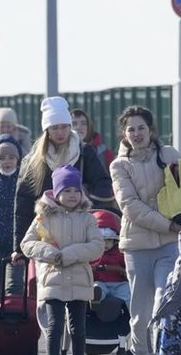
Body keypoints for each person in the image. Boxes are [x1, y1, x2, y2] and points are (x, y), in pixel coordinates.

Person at [109, 105, 181, 355]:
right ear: (124, 134)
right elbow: (131, 208)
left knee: (166, 301)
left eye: (142, 128)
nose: (137, 134)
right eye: (131, 129)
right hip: (137, 245)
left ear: (151, 130)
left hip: (169, 245)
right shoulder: (119, 166)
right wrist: (168, 224)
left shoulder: (169, 155)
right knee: (139, 310)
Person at [21, 165, 104, 355]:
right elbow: (27, 243)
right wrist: (50, 253)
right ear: (56, 193)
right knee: (55, 325)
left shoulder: (87, 218)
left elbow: (97, 246)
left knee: (78, 328)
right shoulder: (43, 217)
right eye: (66, 191)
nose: (72, 195)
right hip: (53, 278)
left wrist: (68, 255)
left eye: (76, 191)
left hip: (78, 278)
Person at [13, 96, 114, 261]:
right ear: (47, 130)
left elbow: (103, 183)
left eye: (64, 127)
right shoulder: (35, 159)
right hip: (47, 234)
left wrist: (85, 204)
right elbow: (23, 202)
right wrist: (18, 247)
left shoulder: (84, 152)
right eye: (54, 128)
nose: (60, 133)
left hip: (79, 231)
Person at [0, 133, 25, 297]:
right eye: (2, 158)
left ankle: (13, 319)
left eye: (11, 157)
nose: (7, 161)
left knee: (15, 286)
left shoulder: (23, 180)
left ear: (18, 159)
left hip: (18, 243)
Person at [89, 209, 130, 308]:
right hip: (100, 281)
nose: (105, 245)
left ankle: (133, 314)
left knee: (128, 291)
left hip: (118, 283)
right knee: (97, 287)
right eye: (101, 241)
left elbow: (127, 267)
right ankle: (95, 299)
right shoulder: (91, 254)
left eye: (108, 241)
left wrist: (125, 272)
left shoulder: (120, 253)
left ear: (114, 241)